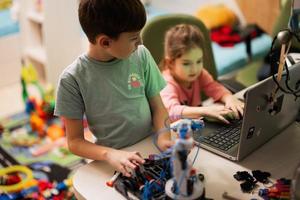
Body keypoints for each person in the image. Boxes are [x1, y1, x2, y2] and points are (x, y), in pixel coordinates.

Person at [54, 0, 172, 177]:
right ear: (105, 42)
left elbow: (158, 107)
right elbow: (75, 142)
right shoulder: (72, 79)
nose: (140, 42)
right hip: (114, 159)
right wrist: (110, 154)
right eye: (133, 38)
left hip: (150, 145)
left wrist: (163, 137)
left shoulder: (141, 55)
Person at [160, 24, 244, 124]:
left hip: (194, 125)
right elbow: (171, 111)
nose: (195, 69)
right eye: (186, 63)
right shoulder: (166, 83)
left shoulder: (200, 74)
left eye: (199, 61)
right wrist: (205, 111)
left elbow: (214, 88)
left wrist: (229, 98)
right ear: (170, 63)